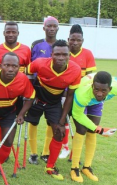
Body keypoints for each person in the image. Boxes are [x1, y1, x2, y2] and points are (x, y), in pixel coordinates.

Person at [25, 40, 81, 180]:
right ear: (51, 54)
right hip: (37, 98)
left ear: (69, 55)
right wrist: (30, 95)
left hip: (54, 103)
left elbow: (69, 96)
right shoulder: (40, 63)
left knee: (59, 132)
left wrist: (62, 122)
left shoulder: (75, 70)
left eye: (65, 55)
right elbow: (27, 73)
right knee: (33, 123)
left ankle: (50, 166)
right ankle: (33, 154)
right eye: (57, 54)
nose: (61, 58)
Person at [70, 71, 117, 182]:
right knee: (81, 129)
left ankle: (87, 167)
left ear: (110, 89)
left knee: (92, 130)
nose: (99, 93)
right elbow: (77, 115)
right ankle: (74, 168)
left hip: (96, 103)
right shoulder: (82, 95)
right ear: (92, 86)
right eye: (96, 89)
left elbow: (115, 79)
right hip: (84, 99)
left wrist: (96, 129)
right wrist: (100, 130)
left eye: (104, 90)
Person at [58, 24, 97, 159]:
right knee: (63, 121)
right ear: (68, 39)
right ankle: (65, 148)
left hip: (80, 96)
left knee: (79, 124)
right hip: (65, 95)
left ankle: (75, 153)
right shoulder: (64, 54)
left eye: (78, 40)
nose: (75, 42)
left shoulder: (87, 54)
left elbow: (90, 77)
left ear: (82, 41)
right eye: (72, 40)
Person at [28, 16, 60, 164]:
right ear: (44, 28)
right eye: (49, 26)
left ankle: (46, 152)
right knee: (33, 122)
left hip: (55, 92)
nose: (51, 28)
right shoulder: (36, 44)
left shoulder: (62, 45)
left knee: (51, 123)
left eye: (54, 26)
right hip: (37, 89)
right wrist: (30, 91)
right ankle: (33, 153)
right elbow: (30, 70)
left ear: (58, 28)